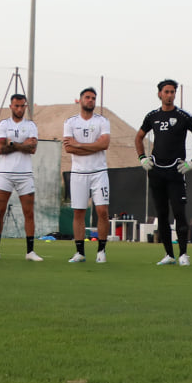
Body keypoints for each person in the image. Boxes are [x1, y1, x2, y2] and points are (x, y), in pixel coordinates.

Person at [134, 80, 192, 267]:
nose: (170, 95)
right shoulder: (152, 116)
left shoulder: (184, 116)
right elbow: (139, 136)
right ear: (159, 94)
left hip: (176, 172)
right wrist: (142, 157)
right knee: (162, 215)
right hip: (156, 172)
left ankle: (183, 254)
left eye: (172, 92)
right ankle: (169, 255)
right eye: (166, 92)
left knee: (180, 213)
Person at [0, 93, 43, 261]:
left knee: (29, 213)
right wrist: (21, 145)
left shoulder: (31, 125)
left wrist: (12, 143)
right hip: (5, 174)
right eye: (16, 106)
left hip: (25, 174)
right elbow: (0, 149)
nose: (19, 109)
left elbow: (33, 149)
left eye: (22, 106)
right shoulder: (3, 124)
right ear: (11, 107)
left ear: (25, 107)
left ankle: (30, 252)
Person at [62, 87, 110, 263]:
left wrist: (79, 145)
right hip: (78, 173)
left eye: (93, 98)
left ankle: (101, 251)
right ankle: (80, 252)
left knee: (102, 211)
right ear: (80, 100)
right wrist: (92, 146)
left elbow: (104, 144)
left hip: (99, 172)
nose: (91, 100)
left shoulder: (102, 121)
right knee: (79, 212)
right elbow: (68, 147)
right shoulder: (70, 122)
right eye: (87, 97)